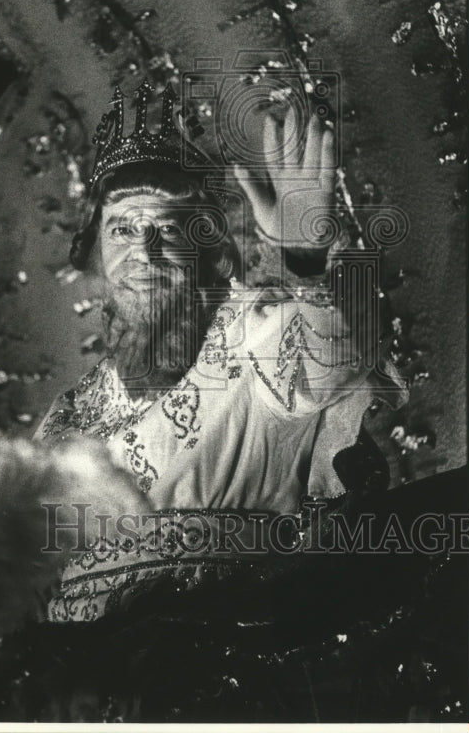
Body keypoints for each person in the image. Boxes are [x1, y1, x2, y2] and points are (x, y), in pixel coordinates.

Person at [35, 80, 403, 621]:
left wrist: (302, 258)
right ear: (94, 257)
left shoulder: (253, 335)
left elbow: (328, 352)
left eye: (168, 229)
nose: (143, 251)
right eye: (121, 230)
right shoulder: (67, 415)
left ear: (214, 256)